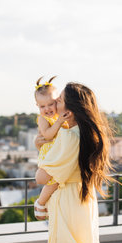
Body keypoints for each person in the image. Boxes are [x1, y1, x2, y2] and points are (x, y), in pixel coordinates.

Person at [34, 82, 113, 243]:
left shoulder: (68, 137)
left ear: (69, 110)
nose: (53, 104)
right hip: (84, 201)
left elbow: (41, 177)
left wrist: (40, 150)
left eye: (58, 100)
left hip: (67, 205)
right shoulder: (88, 135)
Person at [33, 76, 69, 220]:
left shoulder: (58, 116)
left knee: (56, 182)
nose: (47, 109)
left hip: (57, 155)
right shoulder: (43, 119)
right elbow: (47, 135)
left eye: (50, 104)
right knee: (53, 182)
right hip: (49, 156)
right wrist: (60, 122)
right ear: (37, 106)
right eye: (42, 106)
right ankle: (41, 202)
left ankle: (44, 203)